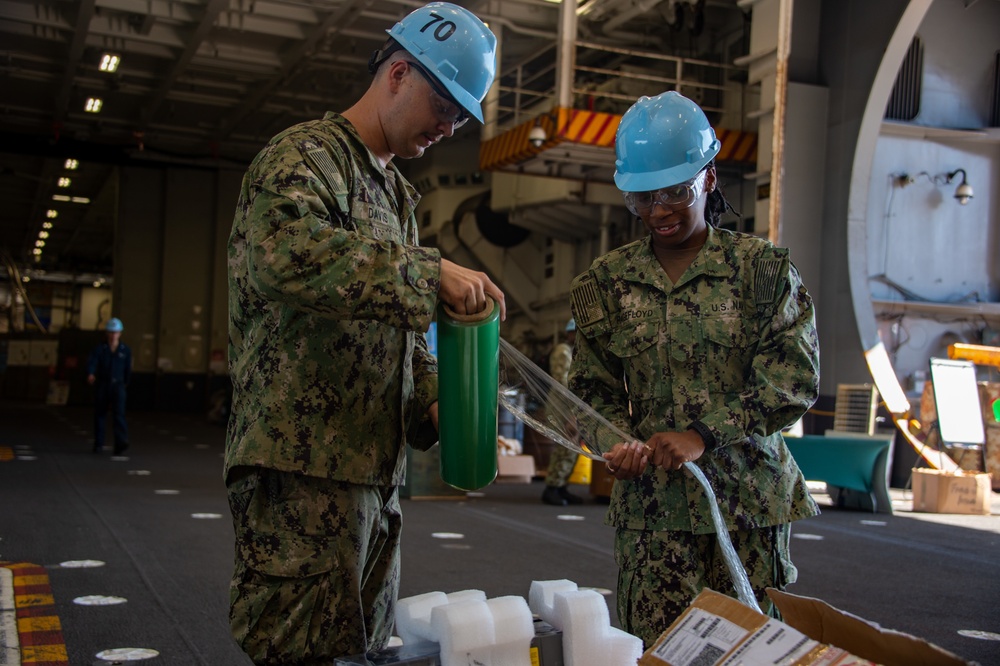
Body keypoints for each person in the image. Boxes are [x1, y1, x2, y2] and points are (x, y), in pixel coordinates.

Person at [224, 3, 506, 664]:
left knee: (361, 650)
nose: (450, 127)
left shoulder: (397, 199)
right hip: (299, 471)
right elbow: (283, 258)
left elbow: (402, 342)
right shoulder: (304, 157)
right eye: (445, 107)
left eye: (462, 118)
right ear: (400, 72)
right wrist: (428, 270)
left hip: (371, 482)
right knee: (299, 651)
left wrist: (439, 402)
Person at [568, 91, 820, 646]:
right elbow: (588, 392)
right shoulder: (604, 285)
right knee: (657, 652)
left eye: (675, 192)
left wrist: (702, 436)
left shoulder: (764, 272)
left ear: (708, 178)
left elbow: (792, 380)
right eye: (642, 198)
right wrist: (613, 442)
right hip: (653, 518)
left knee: (754, 652)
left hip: (748, 510)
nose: (658, 210)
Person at [541, 318, 583, 506]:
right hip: (563, 407)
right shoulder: (563, 351)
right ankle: (552, 487)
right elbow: (563, 381)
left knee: (572, 449)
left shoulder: (577, 353)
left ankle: (561, 486)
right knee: (565, 447)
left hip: (572, 407)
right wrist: (573, 412)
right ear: (570, 333)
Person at [87, 317, 132, 455]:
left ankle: (120, 443)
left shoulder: (125, 350)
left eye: (116, 333)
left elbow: (127, 369)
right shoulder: (101, 349)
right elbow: (92, 362)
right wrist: (91, 373)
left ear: (120, 333)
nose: (113, 336)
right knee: (100, 414)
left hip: (118, 385)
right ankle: (99, 443)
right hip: (103, 383)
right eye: (111, 333)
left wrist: (125, 383)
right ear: (107, 333)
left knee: (119, 415)